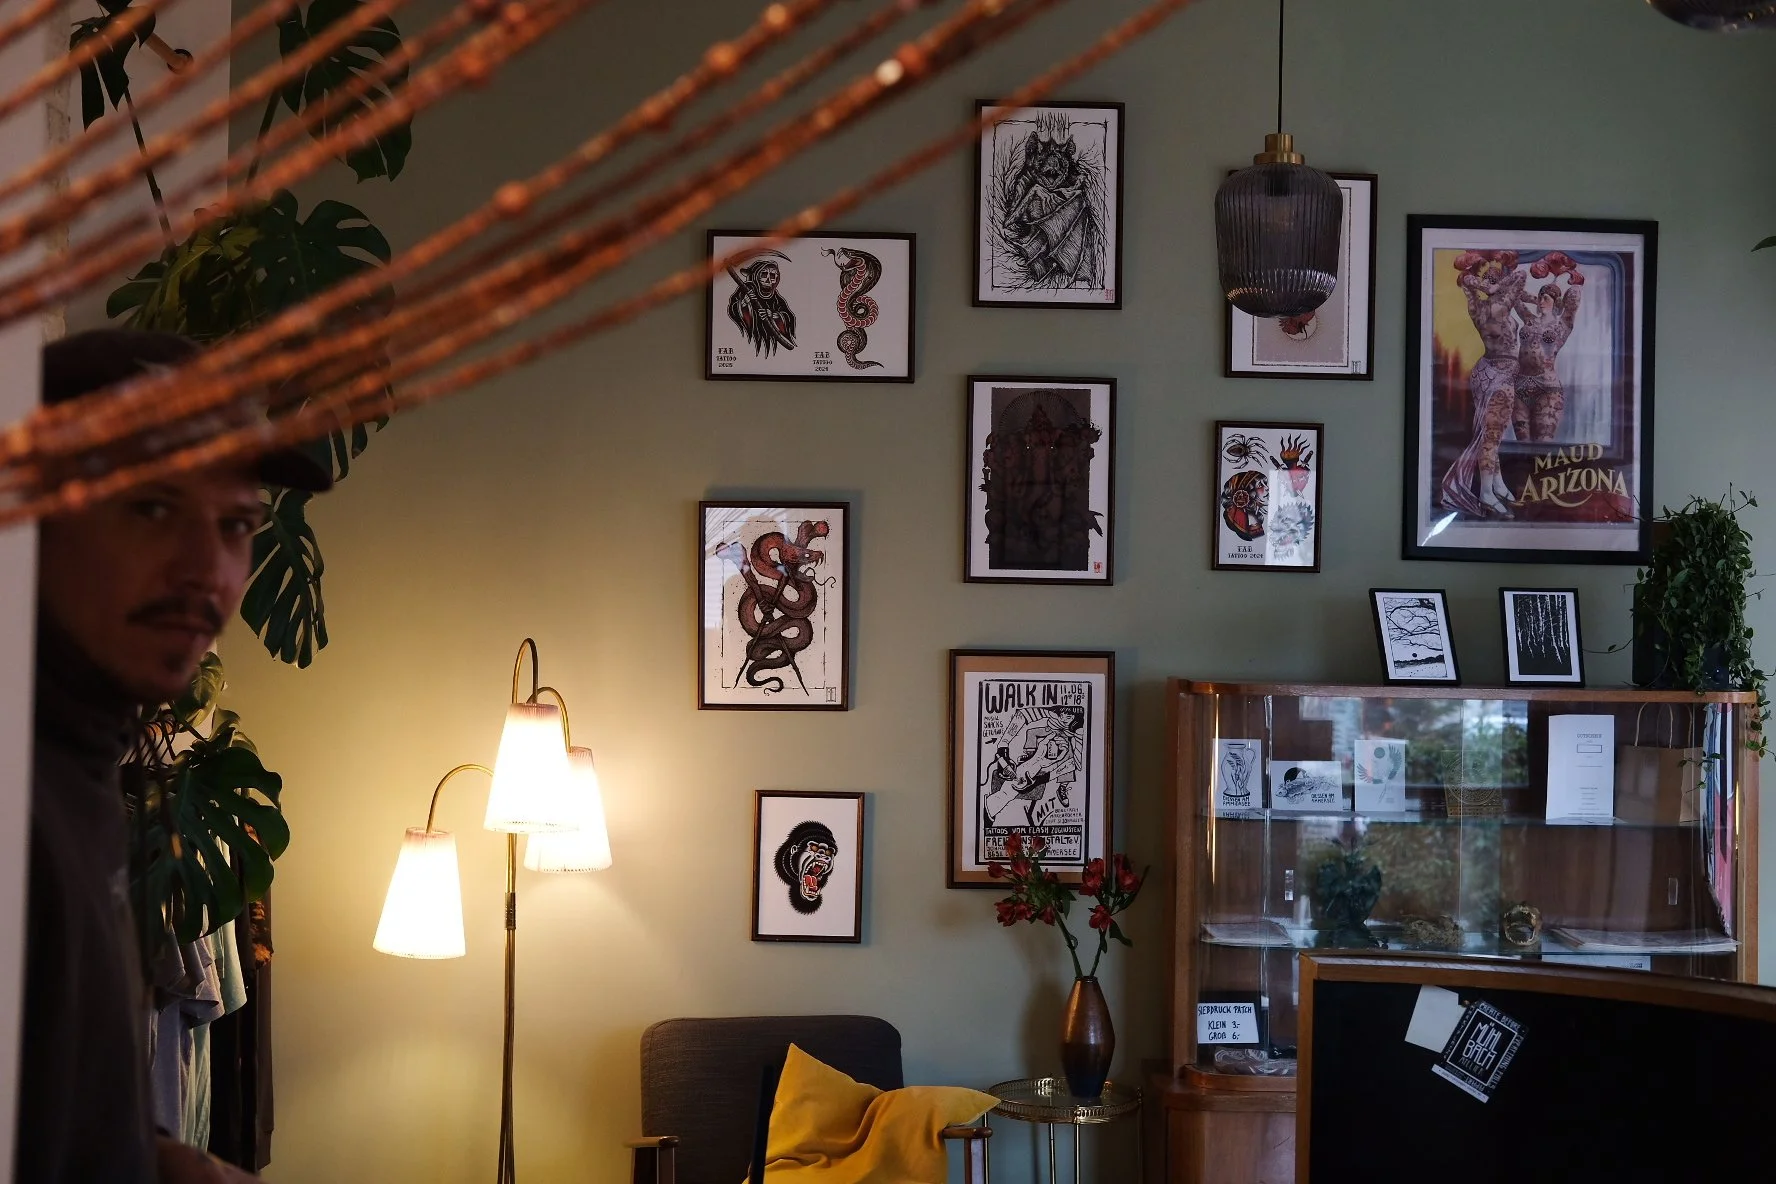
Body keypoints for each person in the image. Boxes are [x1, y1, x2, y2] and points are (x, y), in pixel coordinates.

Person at [18, 329, 331, 1183]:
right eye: (152, 508)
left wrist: (170, 1164)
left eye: (235, 525)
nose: (207, 570)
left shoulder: (82, 757)